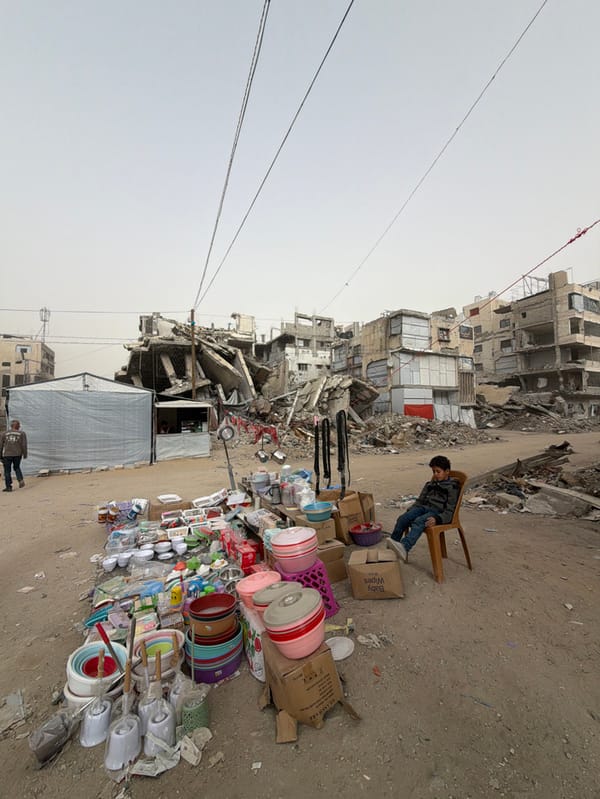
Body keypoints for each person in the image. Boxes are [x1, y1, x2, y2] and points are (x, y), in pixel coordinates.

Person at [387, 455, 460, 562]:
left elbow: (450, 511)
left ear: (447, 471)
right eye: (433, 471)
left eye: (438, 471)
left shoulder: (452, 488)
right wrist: (411, 511)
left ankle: (404, 547)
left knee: (419, 521)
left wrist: (438, 519)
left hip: (437, 513)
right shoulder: (430, 484)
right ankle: (392, 549)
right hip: (423, 508)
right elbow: (420, 501)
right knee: (403, 518)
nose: (435, 474)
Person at [1, 419, 28, 492]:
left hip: (7, 455)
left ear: (11, 425)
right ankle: (20, 479)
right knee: (17, 467)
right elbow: (24, 445)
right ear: (17, 426)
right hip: (17, 454)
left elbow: (0, 445)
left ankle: (8, 487)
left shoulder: (4, 433)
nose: (20, 426)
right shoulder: (22, 433)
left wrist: (0, 455)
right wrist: (25, 454)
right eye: (19, 425)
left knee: (7, 471)